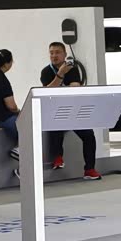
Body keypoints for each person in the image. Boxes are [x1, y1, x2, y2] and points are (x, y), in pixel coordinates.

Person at [40, 41, 100, 181]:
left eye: (57, 52)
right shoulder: (46, 71)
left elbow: (74, 88)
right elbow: (48, 91)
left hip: (73, 109)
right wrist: (60, 74)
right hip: (55, 110)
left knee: (89, 135)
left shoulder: (72, 69)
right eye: (51, 53)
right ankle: (57, 157)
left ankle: (89, 169)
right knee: (55, 125)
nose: (54, 56)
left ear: (65, 54)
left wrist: (59, 86)